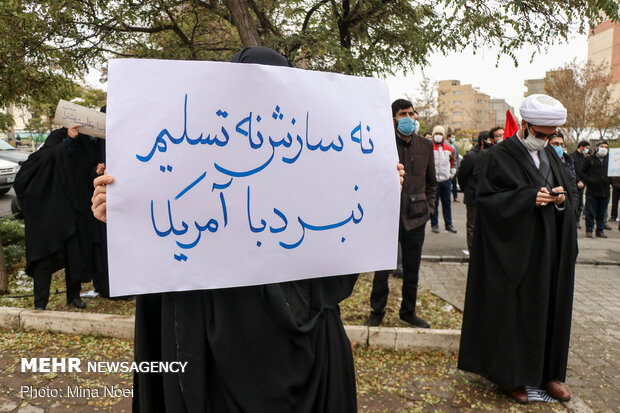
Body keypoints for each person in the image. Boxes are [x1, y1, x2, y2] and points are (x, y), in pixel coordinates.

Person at [91, 46, 406, 413]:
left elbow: (338, 269)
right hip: (211, 360)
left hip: (308, 355)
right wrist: (125, 211)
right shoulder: (189, 163)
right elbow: (165, 259)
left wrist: (378, 193)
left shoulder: (320, 169)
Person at [458, 94, 578, 405]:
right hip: (514, 254)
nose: (547, 140)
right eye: (540, 134)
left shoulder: (552, 155)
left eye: (551, 135)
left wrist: (561, 201)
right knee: (515, 312)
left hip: (548, 253)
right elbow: (484, 201)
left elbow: (566, 197)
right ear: (524, 126)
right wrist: (527, 199)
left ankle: (548, 373)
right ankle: (510, 376)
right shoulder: (499, 156)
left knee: (549, 307)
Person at [14, 124, 102, 310]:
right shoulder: (54, 143)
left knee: (75, 255)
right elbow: (49, 159)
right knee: (44, 258)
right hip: (50, 214)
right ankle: (40, 303)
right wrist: (68, 141)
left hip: (75, 211)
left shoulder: (84, 144)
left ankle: (73, 295)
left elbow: (85, 174)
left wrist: (96, 172)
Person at [365, 99, 436, 328]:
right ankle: (377, 311)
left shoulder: (425, 145)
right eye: (403, 114)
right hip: (388, 217)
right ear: (393, 117)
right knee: (382, 268)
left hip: (416, 217)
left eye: (411, 114)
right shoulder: (383, 144)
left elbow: (432, 183)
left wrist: (428, 209)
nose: (409, 118)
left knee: (412, 269)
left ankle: (408, 312)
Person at [457, 131, 493, 252]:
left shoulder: (492, 155)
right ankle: (473, 252)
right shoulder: (471, 156)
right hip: (473, 196)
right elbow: (462, 175)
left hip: (488, 197)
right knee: (472, 225)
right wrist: (466, 189)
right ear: (483, 141)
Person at [430, 126, 457, 233]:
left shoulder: (449, 148)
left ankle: (449, 224)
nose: (438, 136)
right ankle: (434, 224)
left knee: (447, 203)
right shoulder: (429, 147)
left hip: (446, 180)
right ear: (433, 135)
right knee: (434, 203)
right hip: (434, 180)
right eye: (436, 133)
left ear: (443, 136)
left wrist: (452, 173)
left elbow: (453, 162)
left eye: (440, 134)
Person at [581, 141, 611, 238]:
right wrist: (589, 180)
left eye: (606, 147)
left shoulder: (610, 160)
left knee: (601, 213)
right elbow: (581, 172)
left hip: (605, 191)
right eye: (602, 146)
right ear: (597, 148)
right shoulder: (589, 159)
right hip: (592, 191)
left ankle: (600, 231)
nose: (604, 149)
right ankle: (589, 230)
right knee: (590, 212)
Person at [548, 132, 578, 208]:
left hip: (566, 209)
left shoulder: (568, 162)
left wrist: (572, 209)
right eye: (556, 144)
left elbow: (573, 189)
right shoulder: (542, 162)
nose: (560, 147)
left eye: (561, 144)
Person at [570, 140, 590, 229]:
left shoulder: (585, 158)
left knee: (580, 205)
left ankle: (577, 221)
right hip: (574, 183)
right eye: (586, 148)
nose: (587, 150)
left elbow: (585, 171)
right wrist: (578, 181)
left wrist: (583, 181)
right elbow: (572, 170)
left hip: (582, 184)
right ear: (582, 147)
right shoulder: (572, 156)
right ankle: (571, 221)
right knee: (573, 203)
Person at [448, 133, 460, 203]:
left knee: (454, 183)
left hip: (454, 167)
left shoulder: (455, 146)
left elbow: (457, 156)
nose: (453, 139)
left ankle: (455, 197)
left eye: (454, 137)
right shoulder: (446, 145)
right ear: (448, 138)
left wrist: (457, 166)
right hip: (447, 167)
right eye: (452, 137)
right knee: (448, 183)